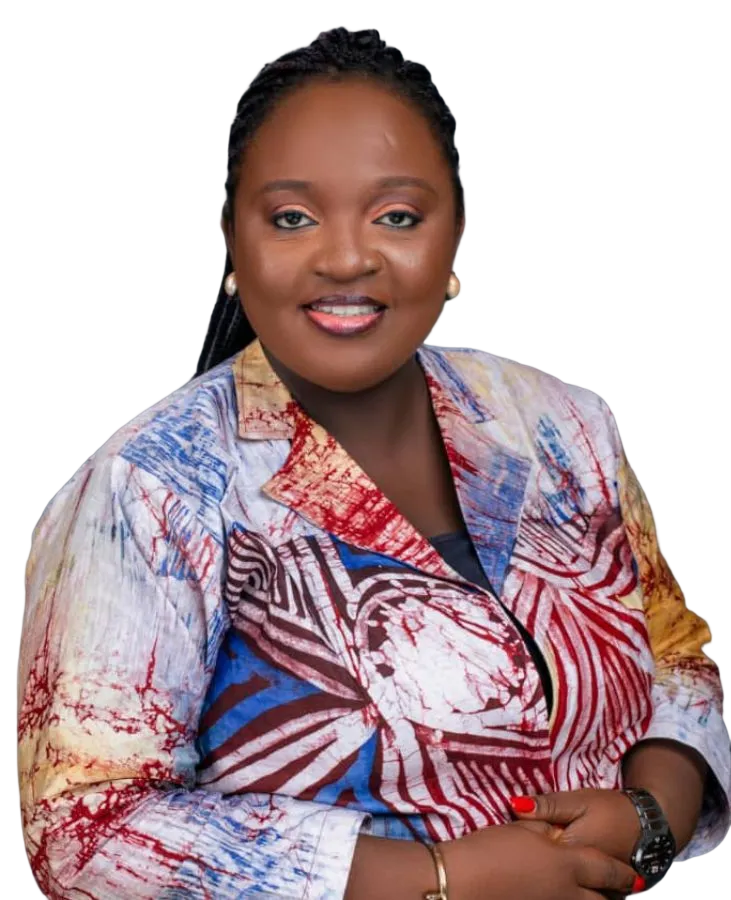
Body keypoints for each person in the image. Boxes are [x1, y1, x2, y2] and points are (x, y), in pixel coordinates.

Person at [17, 24, 729, 900]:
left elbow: (675, 653)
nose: (347, 257)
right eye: (291, 218)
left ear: (456, 233)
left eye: (397, 216)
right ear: (231, 238)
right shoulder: (150, 488)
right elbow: (84, 831)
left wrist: (653, 814)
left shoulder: (563, 424)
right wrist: (436, 877)